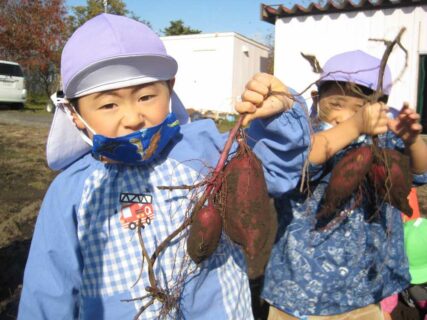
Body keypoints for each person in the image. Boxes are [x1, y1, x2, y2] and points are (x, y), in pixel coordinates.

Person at [17, 13, 310, 320]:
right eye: (109, 104)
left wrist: (281, 116)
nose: (132, 117)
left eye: (146, 96)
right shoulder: (71, 193)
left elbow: (275, 172)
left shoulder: (208, 150)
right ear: (75, 115)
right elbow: (48, 292)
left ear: (170, 89)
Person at [256, 50, 427, 320]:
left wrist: (413, 140)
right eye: (336, 104)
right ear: (316, 98)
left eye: (360, 109)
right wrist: (356, 125)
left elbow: (420, 173)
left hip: (364, 291)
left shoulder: (383, 143)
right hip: (300, 294)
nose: (345, 116)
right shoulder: (306, 135)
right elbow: (305, 161)